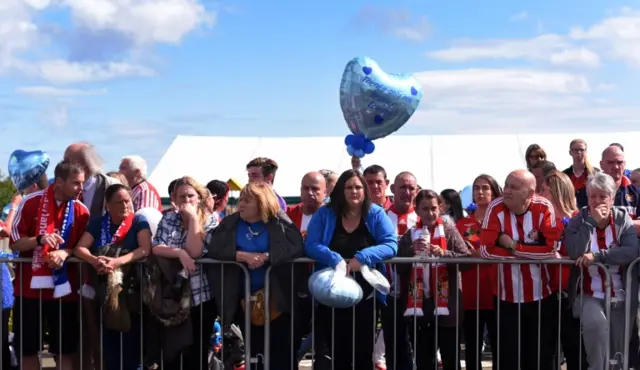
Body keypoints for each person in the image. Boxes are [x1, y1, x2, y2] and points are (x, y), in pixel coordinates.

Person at [305, 169, 397, 370]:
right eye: (348, 187)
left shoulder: (375, 213)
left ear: (364, 190)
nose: (354, 191)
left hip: (366, 297)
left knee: (363, 354)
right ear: (340, 190)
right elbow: (311, 244)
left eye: (358, 187)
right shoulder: (325, 213)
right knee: (335, 355)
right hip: (330, 294)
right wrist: (335, 259)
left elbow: (390, 244)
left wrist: (362, 258)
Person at [207, 181, 304, 370]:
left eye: (247, 201)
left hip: (278, 301)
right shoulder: (231, 223)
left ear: (262, 203)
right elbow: (215, 249)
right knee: (254, 352)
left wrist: (268, 257)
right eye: (241, 199)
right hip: (244, 301)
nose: (241, 204)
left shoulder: (279, 222)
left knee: (281, 351)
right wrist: (242, 256)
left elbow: (296, 247)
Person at [10, 160, 91, 370]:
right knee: (27, 349)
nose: (81, 188)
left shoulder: (81, 210)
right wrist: (40, 239)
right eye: (76, 183)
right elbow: (15, 243)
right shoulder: (30, 202)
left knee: (64, 351)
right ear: (59, 182)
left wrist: (65, 251)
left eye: (82, 183)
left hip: (64, 291)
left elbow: (84, 247)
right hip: (29, 290)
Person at [479, 169, 561, 370]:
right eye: (506, 185)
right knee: (509, 358)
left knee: (542, 357)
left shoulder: (543, 208)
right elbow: (486, 251)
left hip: (542, 296)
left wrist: (514, 246)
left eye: (513, 187)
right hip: (506, 297)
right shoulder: (495, 208)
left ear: (530, 193)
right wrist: (531, 252)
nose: (506, 191)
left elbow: (552, 250)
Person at [564, 172, 640, 370]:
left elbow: (631, 251)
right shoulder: (578, 219)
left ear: (612, 198)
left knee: (618, 347)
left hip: (621, 293)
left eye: (602, 196)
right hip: (588, 293)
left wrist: (598, 257)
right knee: (596, 326)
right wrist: (591, 223)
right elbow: (573, 250)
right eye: (592, 196)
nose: (597, 201)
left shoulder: (623, 220)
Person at [73, 183, 152, 370]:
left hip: (131, 293)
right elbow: (79, 248)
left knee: (131, 348)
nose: (125, 206)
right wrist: (94, 261)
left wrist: (117, 261)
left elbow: (144, 249)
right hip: (105, 294)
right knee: (110, 349)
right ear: (107, 204)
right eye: (119, 202)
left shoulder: (138, 221)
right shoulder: (98, 223)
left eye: (127, 201)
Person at [397, 189, 471, 370]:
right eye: (424, 208)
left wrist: (444, 253)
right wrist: (410, 251)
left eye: (433, 208)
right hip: (420, 306)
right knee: (423, 360)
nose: (429, 213)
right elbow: (398, 266)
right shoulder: (411, 234)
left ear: (440, 209)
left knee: (450, 359)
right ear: (417, 210)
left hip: (448, 306)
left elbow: (467, 260)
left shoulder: (449, 230)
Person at [152, 176, 219, 369]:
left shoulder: (210, 219)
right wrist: (179, 253)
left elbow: (196, 252)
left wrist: (193, 220)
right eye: (182, 197)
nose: (186, 201)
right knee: (173, 352)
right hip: (174, 294)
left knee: (196, 352)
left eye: (191, 196)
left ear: (199, 197)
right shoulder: (168, 217)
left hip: (200, 295)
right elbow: (157, 246)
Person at [539, 171, 587, 370]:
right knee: (546, 353)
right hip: (546, 294)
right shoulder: (541, 221)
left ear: (557, 192)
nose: (539, 193)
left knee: (575, 352)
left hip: (573, 295)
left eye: (544, 190)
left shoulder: (580, 219)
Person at [455, 174, 502, 370]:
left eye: (485, 188)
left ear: (493, 191)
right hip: (470, 294)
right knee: (472, 349)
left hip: (498, 292)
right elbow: (457, 252)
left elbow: (504, 250)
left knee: (500, 347)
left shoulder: (502, 221)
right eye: (476, 188)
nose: (480, 192)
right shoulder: (462, 224)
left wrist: (477, 253)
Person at [563, 139, 598, 209]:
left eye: (581, 150)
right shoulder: (565, 175)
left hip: (591, 212)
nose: (579, 152)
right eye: (575, 150)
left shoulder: (595, 173)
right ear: (570, 152)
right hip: (571, 213)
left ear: (586, 152)